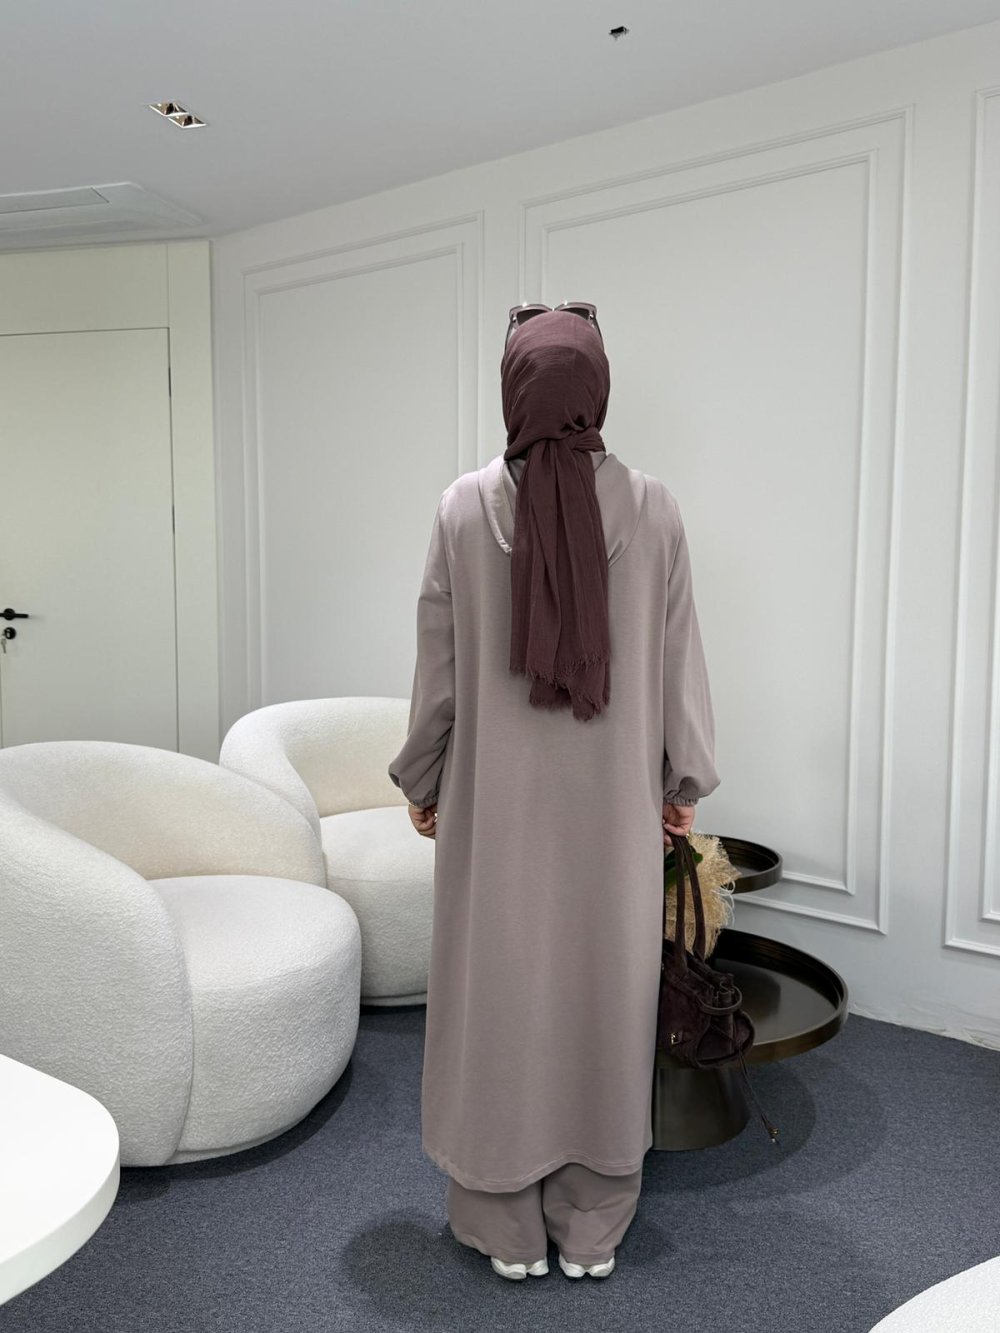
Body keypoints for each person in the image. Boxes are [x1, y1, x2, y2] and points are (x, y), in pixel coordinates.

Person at [387, 303, 720, 1281]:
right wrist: (681, 782)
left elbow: (438, 673)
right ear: (596, 391)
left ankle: (506, 1229)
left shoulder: (462, 509)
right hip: (612, 812)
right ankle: (591, 1230)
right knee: (602, 998)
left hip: (494, 813)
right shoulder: (654, 508)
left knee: (499, 998)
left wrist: (423, 777)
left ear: (513, 390)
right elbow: (679, 662)